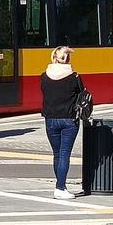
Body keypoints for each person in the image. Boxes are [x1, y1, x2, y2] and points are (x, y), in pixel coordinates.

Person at [41, 46, 83, 200]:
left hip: (50, 120)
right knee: (65, 154)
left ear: (53, 57)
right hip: (69, 120)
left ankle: (60, 185)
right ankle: (60, 187)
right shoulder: (74, 77)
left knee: (57, 154)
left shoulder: (44, 76)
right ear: (68, 59)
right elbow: (82, 94)